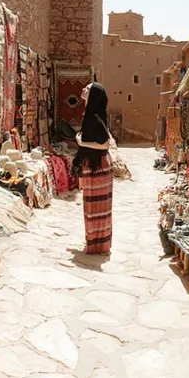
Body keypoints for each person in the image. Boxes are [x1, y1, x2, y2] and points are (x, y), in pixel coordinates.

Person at [72, 83, 113, 255]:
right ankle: (95, 243)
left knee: (98, 208)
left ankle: (99, 245)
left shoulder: (94, 117)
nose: (83, 90)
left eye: (88, 89)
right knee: (93, 206)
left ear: (93, 95)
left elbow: (105, 144)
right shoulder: (91, 114)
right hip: (94, 165)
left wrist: (81, 142)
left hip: (98, 166)